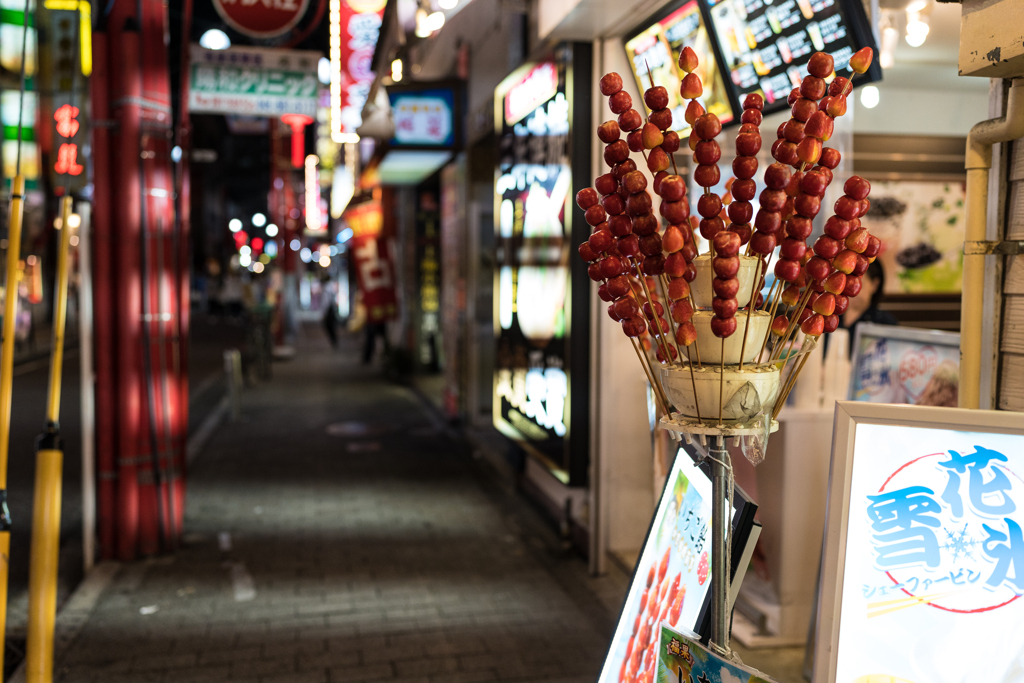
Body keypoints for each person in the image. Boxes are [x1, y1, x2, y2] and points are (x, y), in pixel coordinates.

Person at [839, 260, 898, 344]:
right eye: (848, 285)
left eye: (858, 285)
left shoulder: (885, 323)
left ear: (875, 285)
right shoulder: (832, 316)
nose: (853, 292)